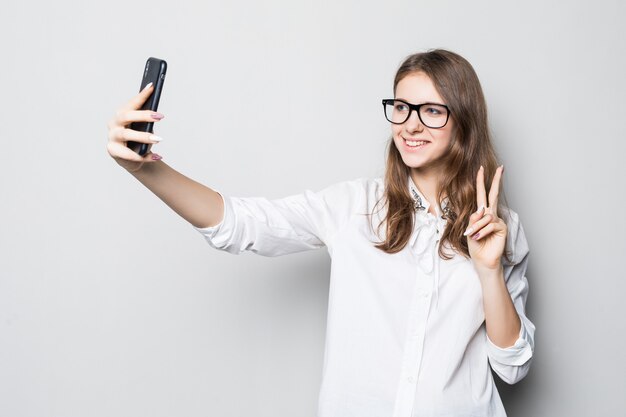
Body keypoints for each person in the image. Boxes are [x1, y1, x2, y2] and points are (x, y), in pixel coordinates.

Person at [106, 49, 535, 417]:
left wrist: (489, 270)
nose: (410, 124)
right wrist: (145, 169)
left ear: (464, 121)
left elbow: (512, 366)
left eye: (432, 111)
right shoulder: (353, 208)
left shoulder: (502, 230)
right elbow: (241, 224)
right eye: (401, 107)